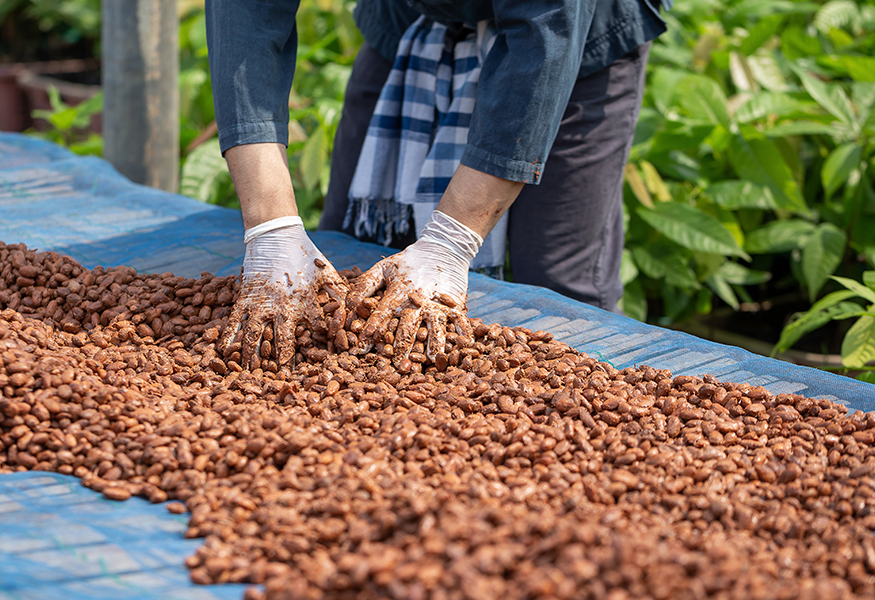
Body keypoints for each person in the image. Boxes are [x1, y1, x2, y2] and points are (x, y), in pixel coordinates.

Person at [205, 0, 669, 367]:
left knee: (557, 291)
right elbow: (246, 12)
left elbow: (546, 25)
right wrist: (272, 227)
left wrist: (450, 241)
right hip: (412, 17)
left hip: (569, 32)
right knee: (346, 259)